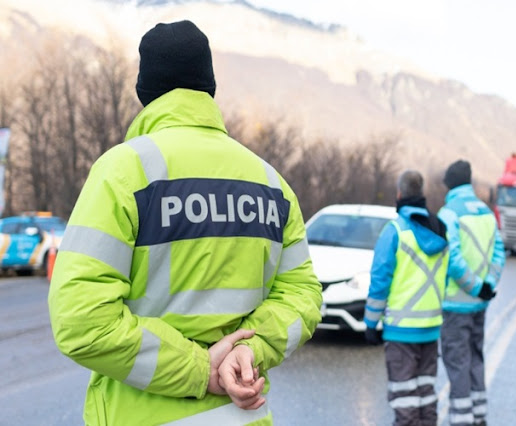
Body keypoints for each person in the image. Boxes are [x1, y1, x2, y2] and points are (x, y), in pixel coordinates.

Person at [48, 20, 322, 426]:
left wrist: (199, 370)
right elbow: (304, 295)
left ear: (145, 92)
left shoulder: (123, 173)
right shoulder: (270, 183)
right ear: (209, 87)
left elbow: (82, 322)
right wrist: (252, 349)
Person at [364, 169, 450, 426]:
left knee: (404, 401)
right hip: (431, 329)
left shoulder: (394, 231)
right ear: (421, 194)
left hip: (401, 332)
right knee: (425, 396)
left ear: (400, 194)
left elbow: (380, 281)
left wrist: (370, 323)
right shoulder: (441, 230)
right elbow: (444, 278)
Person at [437, 160, 506, 426]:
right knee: (476, 359)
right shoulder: (487, 213)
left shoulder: (448, 213)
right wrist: (487, 284)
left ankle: (462, 420)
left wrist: (475, 286)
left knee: (457, 365)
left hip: (456, 305)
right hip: (480, 305)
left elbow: (452, 259)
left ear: (450, 183)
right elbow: (499, 252)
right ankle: (479, 417)